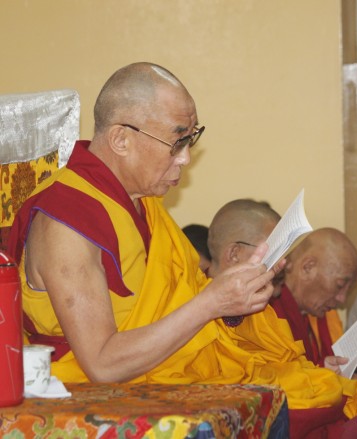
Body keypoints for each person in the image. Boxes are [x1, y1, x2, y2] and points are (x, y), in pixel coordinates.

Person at [8, 62, 279, 385]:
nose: (185, 158)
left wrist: (238, 294)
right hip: (84, 402)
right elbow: (102, 364)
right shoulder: (67, 221)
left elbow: (176, 301)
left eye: (191, 139)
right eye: (177, 141)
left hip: (164, 375)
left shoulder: (143, 202)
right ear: (121, 140)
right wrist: (212, 303)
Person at [207, 200, 357, 438]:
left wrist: (321, 374)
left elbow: (284, 371)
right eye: (275, 257)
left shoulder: (266, 314)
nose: (281, 269)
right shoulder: (196, 308)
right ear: (234, 254)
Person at [269, 228, 357, 374]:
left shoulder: (316, 312)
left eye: (348, 291)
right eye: (340, 285)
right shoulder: (267, 309)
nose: (342, 299)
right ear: (308, 267)